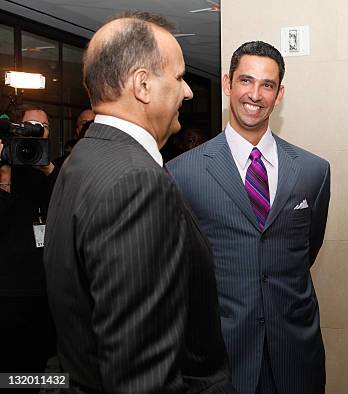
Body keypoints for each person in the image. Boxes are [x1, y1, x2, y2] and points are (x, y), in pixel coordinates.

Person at [43, 11, 235, 393]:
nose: (189, 92)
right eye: (179, 77)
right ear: (143, 85)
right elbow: (141, 377)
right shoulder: (136, 182)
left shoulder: (82, 160)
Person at [168, 41, 330, 394]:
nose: (255, 94)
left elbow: (306, 250)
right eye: (246, 81)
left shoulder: (313, 172)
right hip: (220, 355)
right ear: (228, 84)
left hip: (295, 354)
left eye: (267, 85)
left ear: (279, 93)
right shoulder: (182, 173)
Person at [0, 105, 57, 387]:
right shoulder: (6, 168)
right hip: (11, 292)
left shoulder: (51, 171)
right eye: (30, 126)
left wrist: (48, 168)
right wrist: (5, 176)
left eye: (42, 127)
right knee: (11, 370)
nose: (36, 132)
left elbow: (70, 203)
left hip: (47, 290)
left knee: (41, 366)